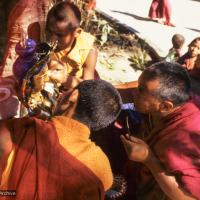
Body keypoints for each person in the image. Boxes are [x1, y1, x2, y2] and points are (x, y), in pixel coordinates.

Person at [0, 79, 122, 199]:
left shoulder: (23, 130)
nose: (61, 94)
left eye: (67, 90)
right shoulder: (102, 170)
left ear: (73, 96)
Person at [120, 62, 200, 200]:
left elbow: (188, 198)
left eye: (140, 90)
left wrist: (149, 158)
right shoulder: (182, 97)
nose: (134, 92)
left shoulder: (181, 141)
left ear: (164, 106)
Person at [46, 1, 98, 81]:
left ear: (77, 33)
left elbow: (88, 86)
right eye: (49, 31)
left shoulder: (89, 51)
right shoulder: (38, 30)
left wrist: (64, 79)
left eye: (60, 35)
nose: (53, 39)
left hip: (72, 89)